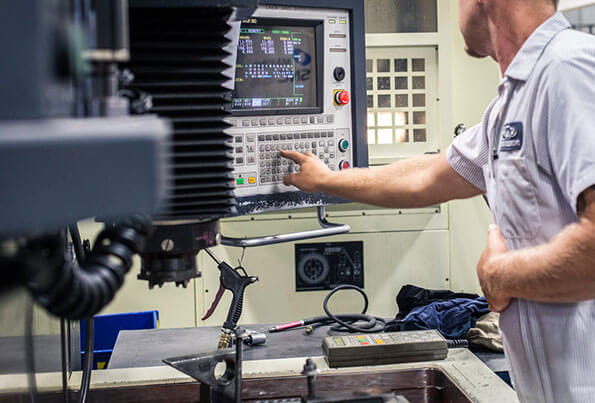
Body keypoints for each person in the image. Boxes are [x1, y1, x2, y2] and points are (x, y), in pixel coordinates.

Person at [280, 0, 595, 402]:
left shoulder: (570, 69)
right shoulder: (511, 104)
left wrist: (501, 276)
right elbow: (429, 176)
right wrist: (326, 180)